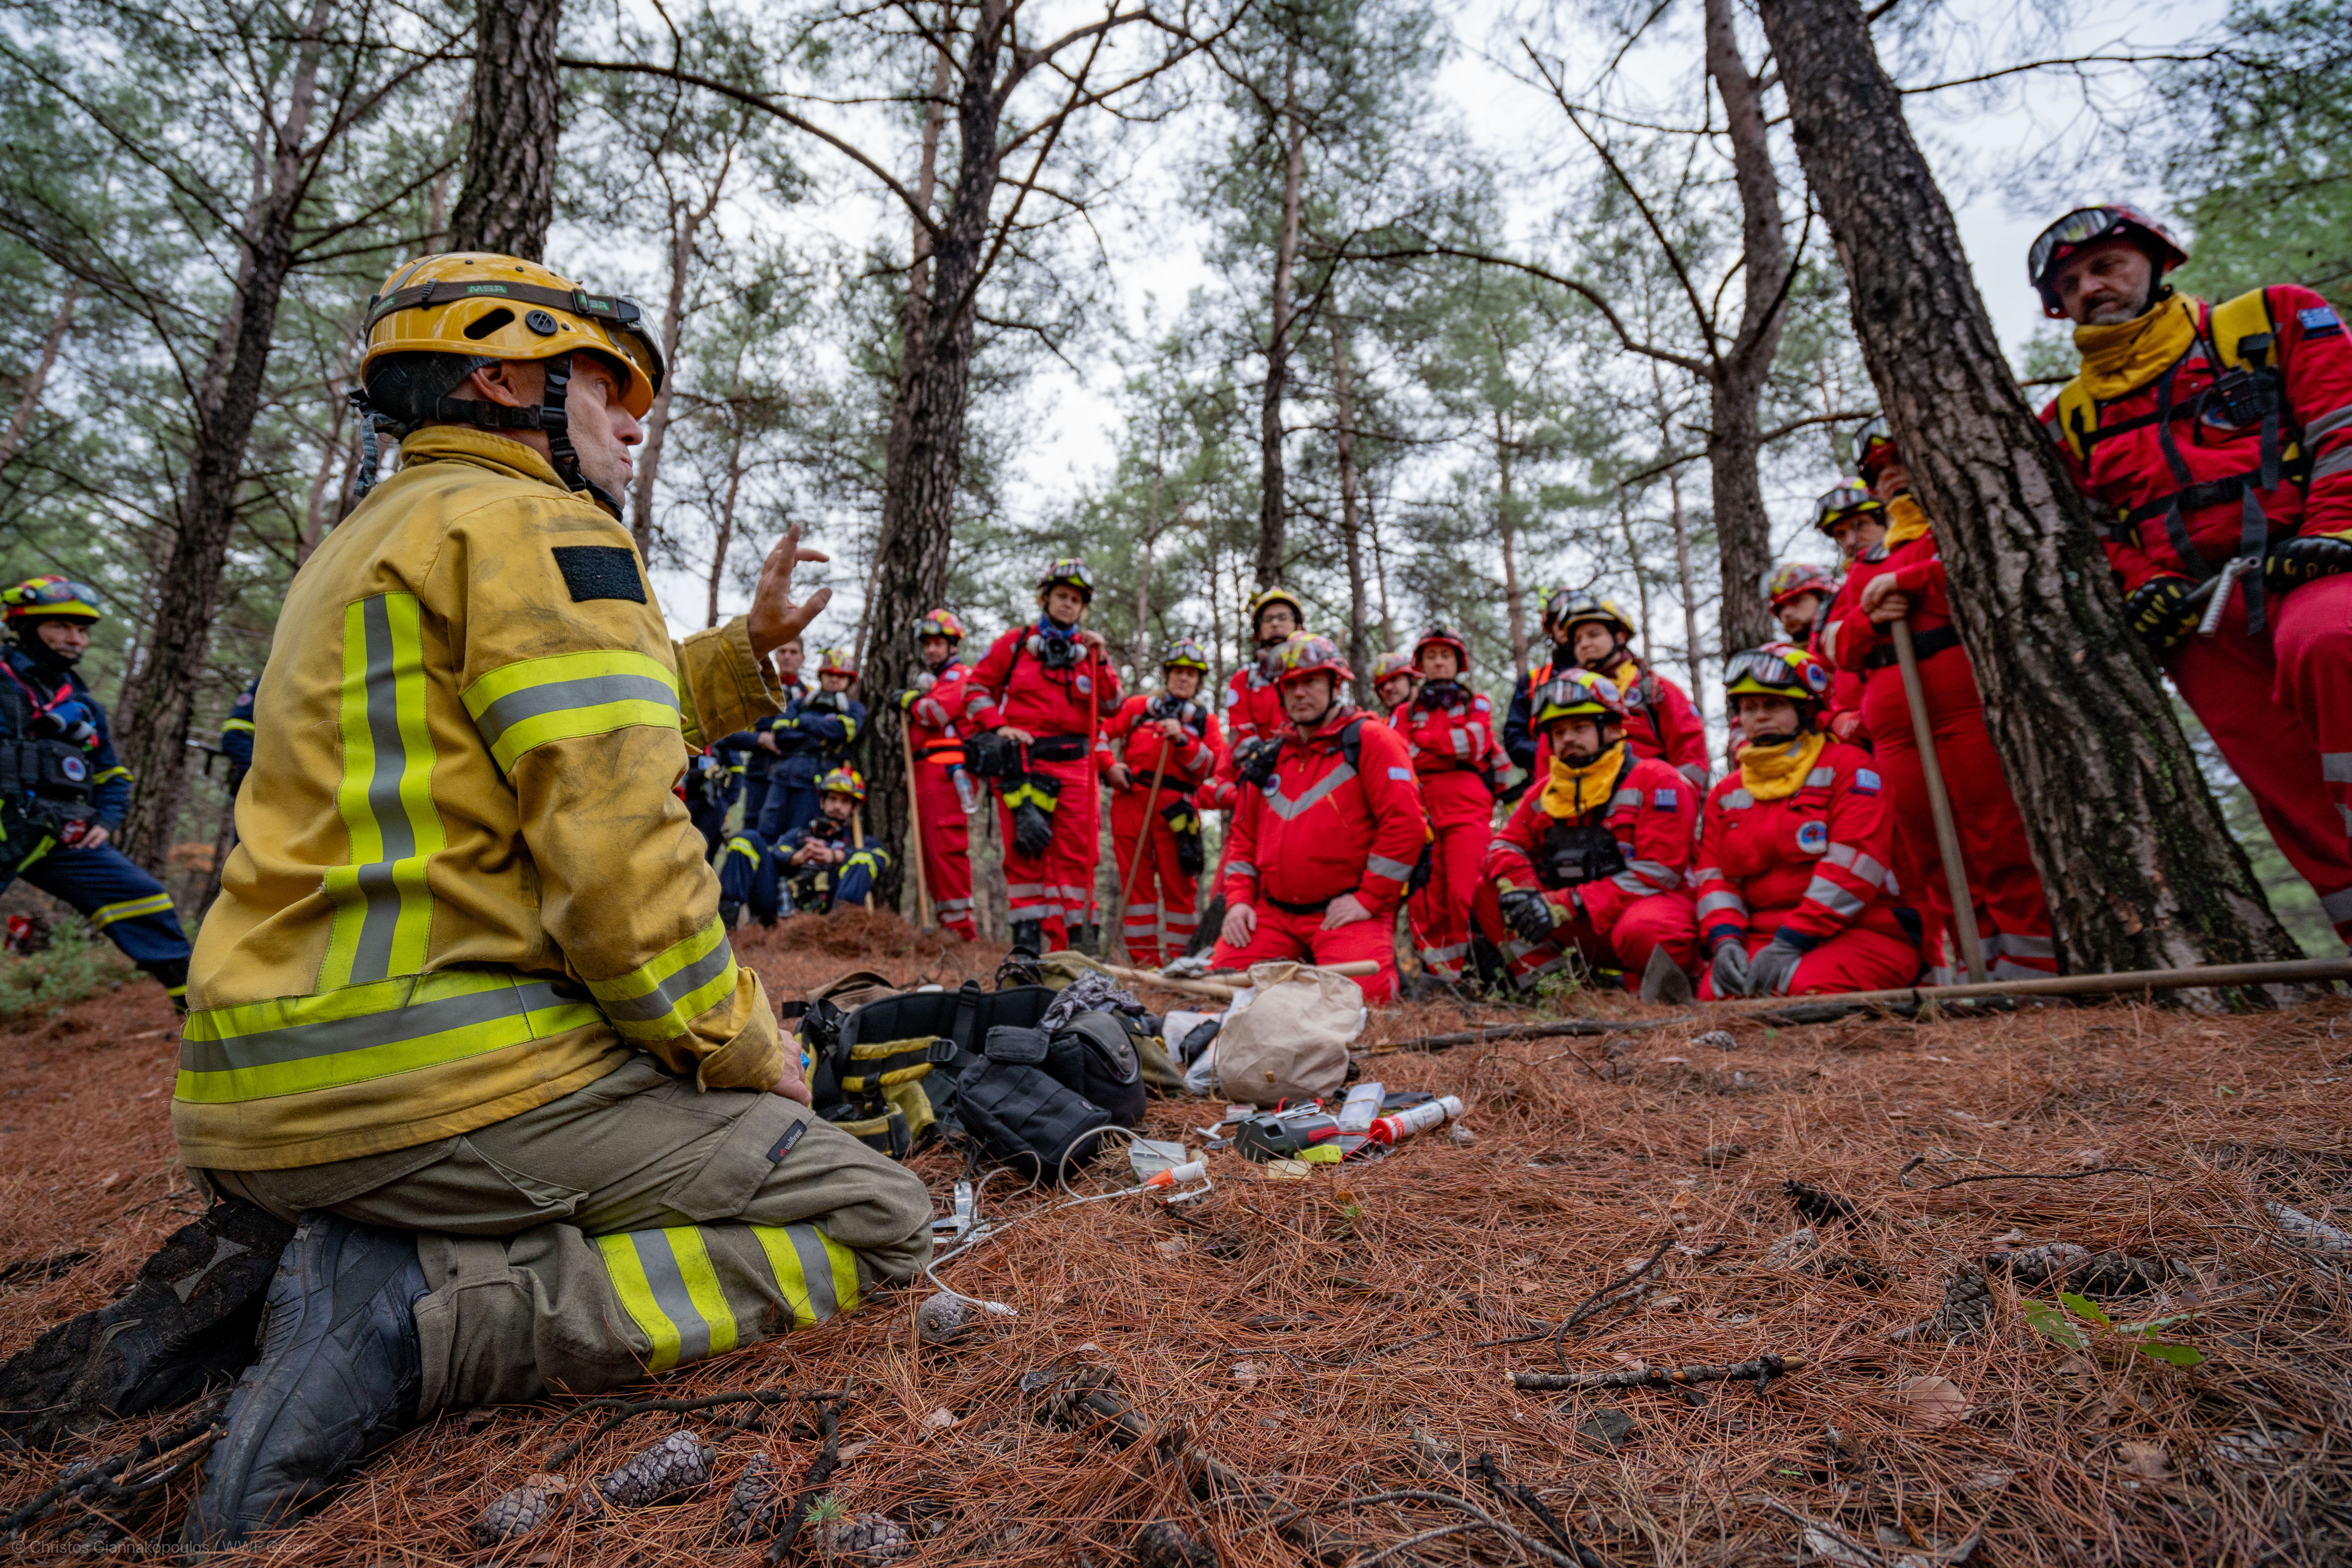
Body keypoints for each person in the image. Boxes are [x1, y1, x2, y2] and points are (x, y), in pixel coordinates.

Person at [136, 252, 929, 1546]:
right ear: (508, 374)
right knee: (876, 1215)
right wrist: (736, 1041)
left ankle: (368, 1248)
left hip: (258, 1093)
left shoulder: (376, 539)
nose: (634, 418)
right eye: (611, 384)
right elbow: (621, 854)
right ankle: (419, 1321)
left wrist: (739, 656)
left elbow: (550, 705)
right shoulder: (545, 530)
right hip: (437, 1081)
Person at [2032, 204, 2352, 946]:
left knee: (2331, 646)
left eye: (2106, 265)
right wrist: (2140, 581)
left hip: (2313, 569)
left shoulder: (2270, 320)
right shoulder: (2067, 418)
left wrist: (2332, 528)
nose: (2091, 288)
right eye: (2072, 283)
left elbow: (2341, 422)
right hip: (2198, 618)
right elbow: (2090, 531)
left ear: (2155, 260)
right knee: (2288, 794)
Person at [1824, 423, 2057, 981]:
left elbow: (1989, 578)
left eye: (1899, 461)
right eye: (1880, 471)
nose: (1892, 476)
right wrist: (1870, 613)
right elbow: (1836, 645)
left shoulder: (1958, 529)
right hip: (1895, 723)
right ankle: (1972, 963)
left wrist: (1916, 581)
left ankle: (2028, 961)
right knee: (1929, 846)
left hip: (1960, 702)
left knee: (1993, 831)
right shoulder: (1865, 564)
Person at [0, 577, 192, 1007]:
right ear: (26, 625)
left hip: (52, 836)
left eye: (83, 631)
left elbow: (112, 774)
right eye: (62, 627)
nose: (75, 639)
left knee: (146, 901)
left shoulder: (83, 704)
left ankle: (200, 1015)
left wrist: (105, 820)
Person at [1210, 633, 1426, 1003]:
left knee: (1362, 1001)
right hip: (1273, 914)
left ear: (1335, 683)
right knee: (1221, 989)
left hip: (1344, 913)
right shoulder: (1268, 758)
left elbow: (1406, 825)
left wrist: (1368, 899)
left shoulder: (1371, 740)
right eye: (1291, 684)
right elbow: (1243, 838)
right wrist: (1240, 902)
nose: (1299, 693)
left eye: (1310, 681)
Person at [1695, 644, 1921, 997]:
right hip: (1764, 938)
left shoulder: (1851, 768)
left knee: (1802, 987)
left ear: (1807, 708)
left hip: (1864, 928)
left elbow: (1855, 869)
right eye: (1749, 708)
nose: (1759, 716)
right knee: (1716, 992)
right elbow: (1715, 881)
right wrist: (1726, 941)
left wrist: (1790, 941)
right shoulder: (1725, 792)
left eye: (1774, 705)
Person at [1474, 670, 1699, 1000]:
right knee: (1491, 893)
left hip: (1646, 912)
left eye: (1579, 728)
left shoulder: (1658, 780)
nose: (1567, 739)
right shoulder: (1545, 794)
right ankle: (1561, 995)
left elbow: (1659, 873)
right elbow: (1503, 845)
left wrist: (1564, 903)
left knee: (1643, 929)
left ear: (1610, 728)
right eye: (1559, 731)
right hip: (1584, 923)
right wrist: (1527, 890)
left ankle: (1658, 1001)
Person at [964, 558, 1119, 952]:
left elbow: (1114, 705)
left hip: (1078, 769)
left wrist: (1101, 659)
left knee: (1079, 859)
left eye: (1076, 600)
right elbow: (976, 689)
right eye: (1062, 596)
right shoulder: (1015, 644)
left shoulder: (1089, 653)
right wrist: (998, 726)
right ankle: (1026, 953)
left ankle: (1079, 950)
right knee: (1025, 854)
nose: (1068, 604)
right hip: (1024, 766)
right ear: (1046, 598)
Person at [1503, 590, 1709, 792]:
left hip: (1649, 807)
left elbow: (1690, 758)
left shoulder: (1658, 691)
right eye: (1578, 640)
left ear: (1619, 637)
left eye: (1594, 635)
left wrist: (1676, 805)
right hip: (1582, 813)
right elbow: (1547, 767)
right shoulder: (1563, 697)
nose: (1584, 645)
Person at [1391, 625, 1507, 982]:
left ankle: (1485, 971)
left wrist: (1424, 741)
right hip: (1421, 809)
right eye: (1431, 656)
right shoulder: (1404, 710)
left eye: (1446, 655)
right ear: (1421, 664)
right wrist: (1443, 746)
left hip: (1468, 806)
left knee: (1465, 891)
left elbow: (1474, 744)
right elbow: (1399, 756)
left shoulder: (1478, 702)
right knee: (1426, 901)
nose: (1439, 662)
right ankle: (1443, 978)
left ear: (1459, 661)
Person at [1103, 637, 1224, 967]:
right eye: (1177, 672)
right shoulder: (1138, 707)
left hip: (1178, 811)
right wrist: (1109, 765)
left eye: (1191, 673)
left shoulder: (1204, 721)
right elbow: (1099, 732)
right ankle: (1143, 963)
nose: (1183, 678)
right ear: (1167, 674)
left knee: (1179, 888)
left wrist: (1185, 740)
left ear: (1199, 680)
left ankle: (1180, 963)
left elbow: (1214, 766)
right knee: (1136, 886)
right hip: (1132, 802)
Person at [897, 607, 980, 940]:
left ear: (952, 645)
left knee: (947, 849)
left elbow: (938, 711)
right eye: (928, 643)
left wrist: (912, 702)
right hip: (925, 773)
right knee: (931, 851)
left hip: (947, 773)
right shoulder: (936, 681)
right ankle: (946, 925)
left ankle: (962, 930)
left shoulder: (959, 675)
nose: (932, 649)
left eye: (939, 643)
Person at [1204, 586, 1308, 811]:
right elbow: (1240, 731)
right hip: (1262, 780)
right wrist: (1265, 759)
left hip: (1308, 775)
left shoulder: (1316, 673)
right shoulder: (1245, 680)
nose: (1275, 624)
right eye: (1268, 619)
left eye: (1283, 617)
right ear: (1258, 631)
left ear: (1299, 624)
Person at [758, 645, 863, 840]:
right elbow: (781, 735)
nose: (834, 679)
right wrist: (823, 734)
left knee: (799, 835)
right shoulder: (799, 703)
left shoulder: (853, 709)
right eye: (830, 674)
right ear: (821, 675)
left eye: (841, 676)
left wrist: (802, 723)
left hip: (816, 781)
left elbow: (843, 732)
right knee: (766, 832)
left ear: (850, 680)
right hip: (782, 775)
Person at [733, 637, 808, 832]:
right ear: (775, 655)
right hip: (760, 774)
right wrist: (760, 739)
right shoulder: (757, 692)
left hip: (794, 778)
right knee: (752, 830)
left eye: (793, 652)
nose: (787, 657)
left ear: (803, 658)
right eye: (782, 651)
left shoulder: (810, 698)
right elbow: (729, 735)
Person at [221, 674, 260, 795]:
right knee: (257, 769)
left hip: (238, 738)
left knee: (253, 767)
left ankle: (234, 798)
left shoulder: (257, 687)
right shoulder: (267, 684)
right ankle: (236, 800)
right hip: (238, 738)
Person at [1369, 649, 1416, 719]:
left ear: (1412, 679)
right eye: (1381, 685)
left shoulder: (1435, 714)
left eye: (1394, 679)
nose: (1387, 688)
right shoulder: (1383, 727)